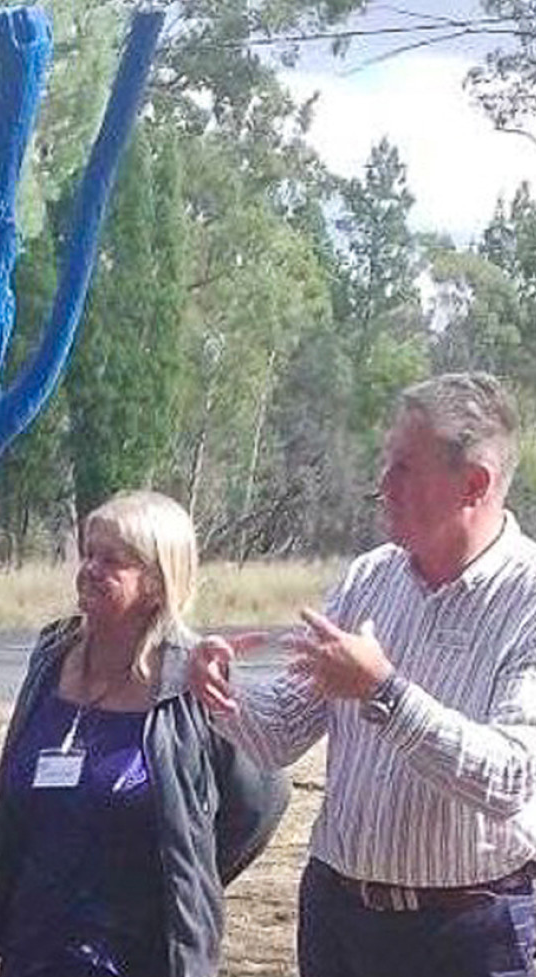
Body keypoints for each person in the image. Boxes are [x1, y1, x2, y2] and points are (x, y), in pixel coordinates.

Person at [191, 371, 536, 977]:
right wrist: (220, 689)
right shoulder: (369, 578)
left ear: (474, 484)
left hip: (471, 935)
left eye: (404, 468)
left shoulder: (528, 599)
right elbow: (281, 734)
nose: (382, 486)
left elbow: (509, 777)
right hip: (339, 919)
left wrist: (384, 692)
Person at [0, 490, 288, 977]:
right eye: (88, 553)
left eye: (111, 560)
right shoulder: (51, 658)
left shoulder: (193, 677)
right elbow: (6, 806)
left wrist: (189, 872)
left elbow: (262, 800)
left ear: (156, 582)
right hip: (36, 951)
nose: (89, 568)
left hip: (141, 956)